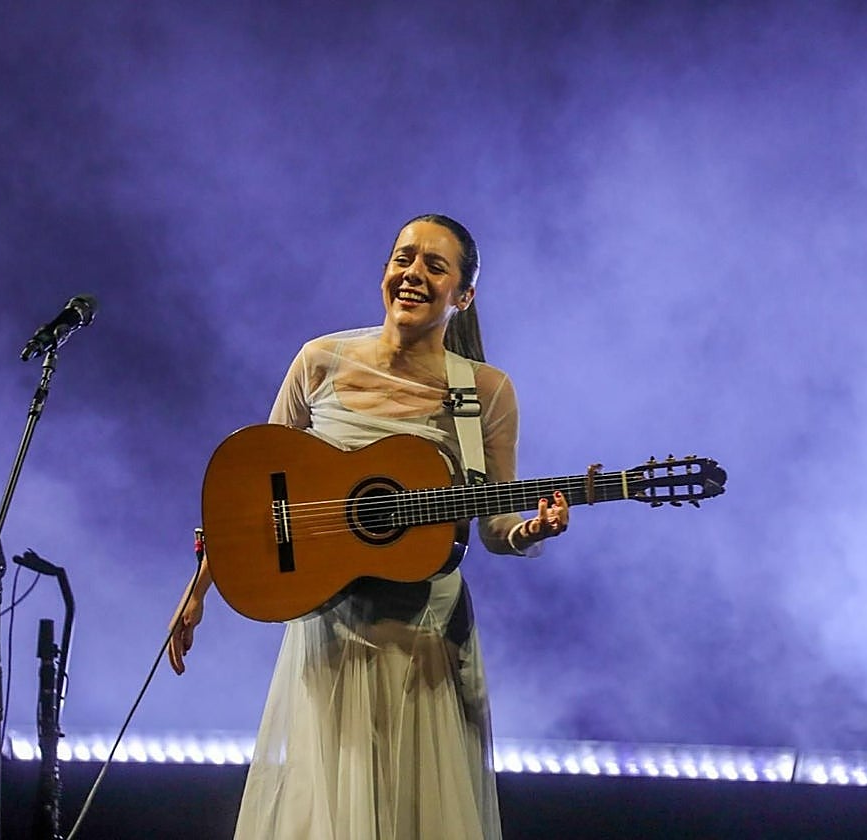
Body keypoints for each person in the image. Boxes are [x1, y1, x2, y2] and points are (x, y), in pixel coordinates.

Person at [168, 213, 570, 839]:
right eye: (403, 258)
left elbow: (493, 524)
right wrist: (198, 593)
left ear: (463, 296)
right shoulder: (320, 361)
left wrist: (529, 533)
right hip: (330, 633)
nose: (413, 274)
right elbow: (248, 487)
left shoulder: (484, 393)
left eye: (435, 266)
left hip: (423, 644)